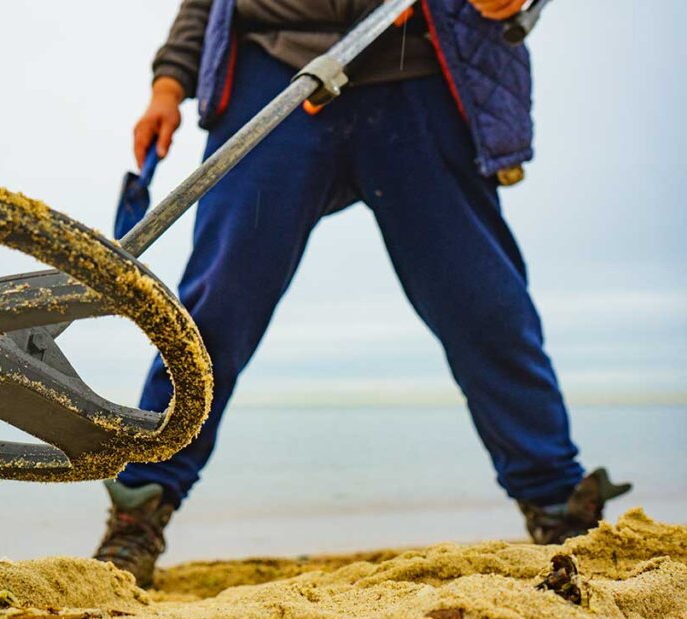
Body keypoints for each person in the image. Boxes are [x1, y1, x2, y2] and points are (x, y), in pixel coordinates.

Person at [94, 0, 630, 588]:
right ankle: (138, 511)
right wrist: (169, 85)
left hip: (418, 73)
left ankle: (558, 506)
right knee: (216, 306)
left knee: (485, 305)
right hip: (272, 71)